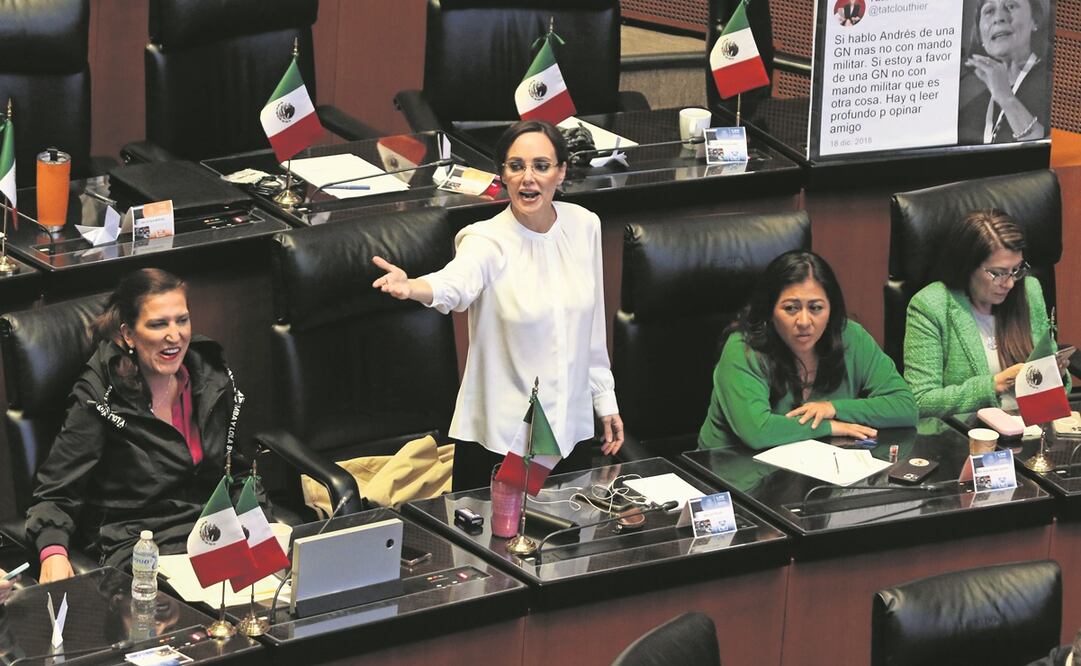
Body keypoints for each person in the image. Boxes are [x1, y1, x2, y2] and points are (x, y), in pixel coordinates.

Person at [372, 120, 623, 490]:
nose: (528, 179)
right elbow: (454, 282)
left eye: (541, 166)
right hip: (501, 441)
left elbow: (592, 332)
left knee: (567, 542)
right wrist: (412, 287)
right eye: (516, 166)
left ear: (562, 171)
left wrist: (604, 398)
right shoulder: (486, 240)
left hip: (570, 433)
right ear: (502, 175)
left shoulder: (584, 225)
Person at [25, 269, 246, 582]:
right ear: (128, 334)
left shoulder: (208, 375)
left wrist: (258, 525)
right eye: (158, 324)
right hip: (141, 552)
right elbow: (55, 494)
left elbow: (235, 470)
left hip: (212, 535)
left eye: (181, 320)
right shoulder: (100, 397)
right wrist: (53, 555)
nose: (175, 335)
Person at [699, 250, 917, 451]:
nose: (804, 321)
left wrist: (833, 408)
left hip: (812, 475)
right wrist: (831, 426)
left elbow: (906, 408)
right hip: (730, 474)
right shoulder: (743, 348)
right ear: (769, 311)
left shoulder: (851, 337)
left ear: (831, 309)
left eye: (816, 308)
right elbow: (758, 432)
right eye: (791, 308)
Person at [904, 209, 1069, 417]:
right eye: (998, 274)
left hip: (1033, 428)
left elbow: (1052, 387)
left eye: (1016, 270)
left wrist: (1056, 375)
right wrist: (994, 385)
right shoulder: (931, 306)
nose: (1009, 283)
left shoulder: (1028, 291)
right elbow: (920, 400)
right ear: (967, 266)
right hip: (971, 436)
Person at [958, 0, 1050, 144]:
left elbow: (1064, 154)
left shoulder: (1060, 84)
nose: (998, 18)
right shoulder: (969, 108)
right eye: (989, 11)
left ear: (1035, 21)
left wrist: (1006, 98)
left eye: (1011, 6)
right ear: (980, 35)